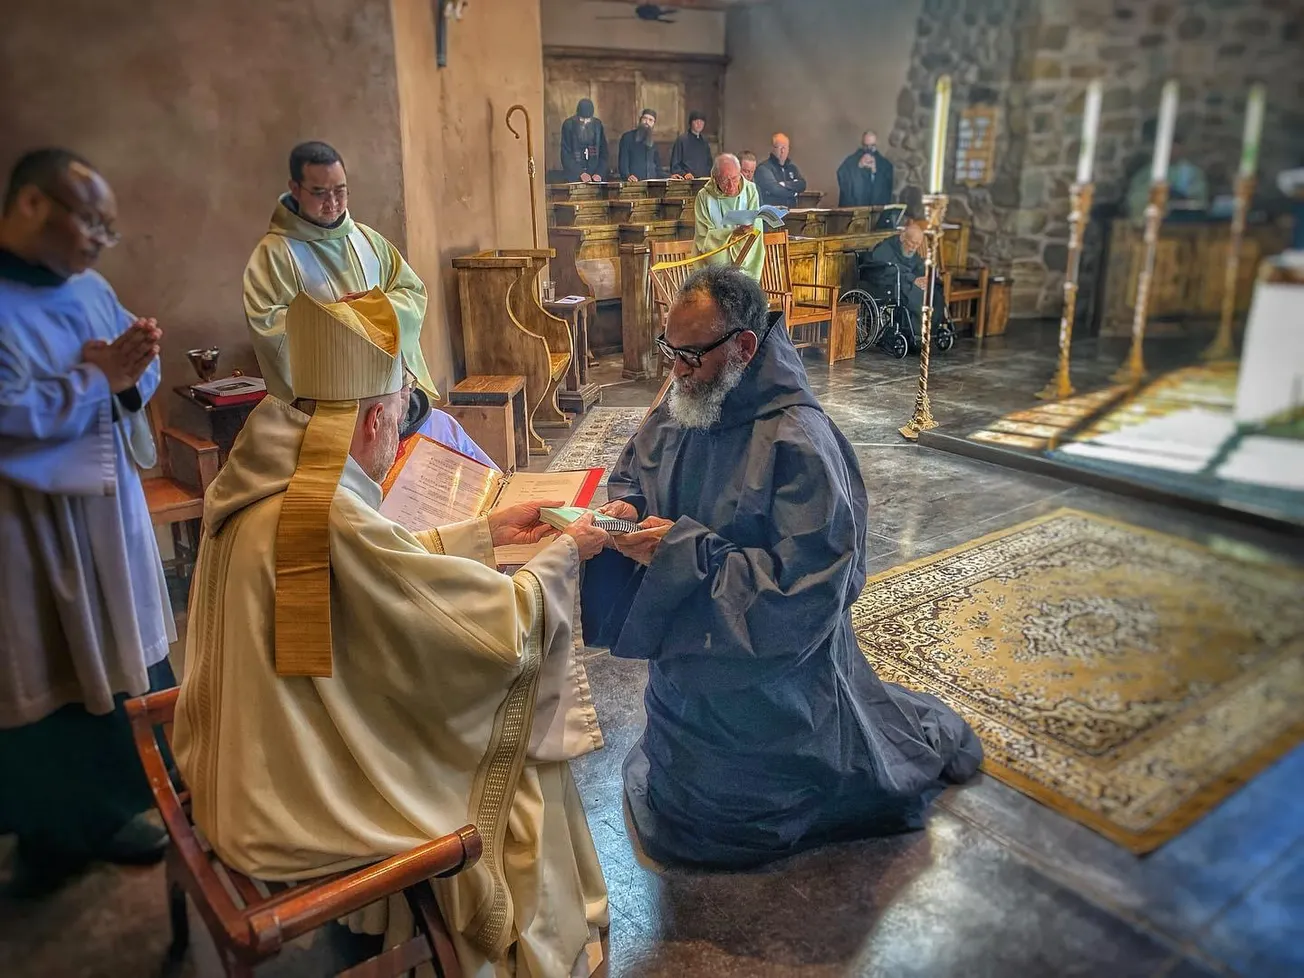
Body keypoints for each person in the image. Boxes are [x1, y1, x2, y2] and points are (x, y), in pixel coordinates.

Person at [172, 288, 611, 976]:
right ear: (375, 418)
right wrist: (559, 561)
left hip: (251, 760)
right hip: (301, 794)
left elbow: (374, 579)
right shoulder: (324, 514)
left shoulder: (266, 479)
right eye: (400, 414)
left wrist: (484, 532)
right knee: (526, 758)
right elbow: (486, 633)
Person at [583, 266, 981, 868]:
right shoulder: (686, 400)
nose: (676, 371)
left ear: (744, 346)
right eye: (670, 350)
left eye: (690, 355)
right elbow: (635, 470)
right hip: (686, 676)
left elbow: (809, 591)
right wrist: (628, 508)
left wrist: (683, 553)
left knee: (728, 819)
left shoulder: (799, 440)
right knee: (680, 796)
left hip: (772, 700)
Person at [0, 148, 176, 896]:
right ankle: (51, 839)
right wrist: (96, 380)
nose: (103, 240)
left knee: (123, 658)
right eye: (92, 222)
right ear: (32, 205)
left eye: (110, 227)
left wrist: (131, 372)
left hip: (108, 512)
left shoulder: (91, 285)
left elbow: (133, 377)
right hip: (32, 526)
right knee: (49, 667)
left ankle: (115, 812)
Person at [243, 140, 492, 466]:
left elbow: (412, 292)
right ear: (295, 189)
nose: (333, 203)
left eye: (340, 191)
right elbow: (269, 329)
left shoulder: (368, 242)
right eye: (320, 193)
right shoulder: (273, 256)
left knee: (451, 439)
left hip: (392, 404)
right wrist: (341, 320)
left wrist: (377, 308)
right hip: (332, 416)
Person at [867, 222, 949, 347]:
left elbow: (918, 265)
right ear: (903, 237)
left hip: (908, 281)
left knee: (935, 293)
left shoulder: (911, 250)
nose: (914, 248)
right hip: (890, 283)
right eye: (912, 243)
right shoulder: (886, 248)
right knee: (917, 295)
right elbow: (886, 270)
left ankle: (931, 331)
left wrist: (925, 278)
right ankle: (916, 334)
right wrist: (912, 279)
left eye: (918, 244)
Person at [693, 153, 766, 282]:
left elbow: (756, 227)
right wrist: (733, 233)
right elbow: (704, 236)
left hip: (746, 260)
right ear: (715, 178)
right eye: (725, 180)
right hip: (716, 267)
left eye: (735, 178)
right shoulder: (704, 197)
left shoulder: (750, 190)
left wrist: (745, 233)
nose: (731, 186)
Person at [1125, 136, 1209, 220]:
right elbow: (1135, 195)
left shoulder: (1192, 172)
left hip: (1185, 218)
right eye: (1169, 147)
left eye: (1175, 148)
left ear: (1182, 149)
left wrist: (1180, 196)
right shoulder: (1147, 172)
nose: (1172, 151)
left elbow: (1199, 197)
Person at [837, 130, 895, 207]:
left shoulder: (885, 165)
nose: (869, 149)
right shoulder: (851, 161)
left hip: (874, 209)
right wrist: (858, 167)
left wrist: (875, 172)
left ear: (877, 144)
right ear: (862, 144)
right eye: (866, 146)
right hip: (855, 208)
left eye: (872, 146)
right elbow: (842, 176)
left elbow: (886, 190)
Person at [560, 98, 608, 183]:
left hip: (595, 178)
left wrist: (599, 173)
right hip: (574, 178)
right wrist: (580, 173)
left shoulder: (597, 125)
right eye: (582, 119)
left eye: (588, 120)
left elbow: (604, 154)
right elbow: (565, 155)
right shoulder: (569, 125)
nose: (585, 122)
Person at [754, 133, 807, 208]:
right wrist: (794, 193)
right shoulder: (764, 168)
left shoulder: (791, 167)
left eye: (785, 148)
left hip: (791, 211)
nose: (782, 151)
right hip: (772, 212)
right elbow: (775, 189)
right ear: (773, 149)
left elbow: (802, 184)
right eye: (780, 148)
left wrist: (785, 184)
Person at [617, 109, 668, 183]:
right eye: (645, 118)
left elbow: (658, 169)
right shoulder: (627, 137)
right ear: (640, 120)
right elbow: (623, 162)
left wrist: (670, 176)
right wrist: (627, 176)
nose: (647, 122)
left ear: (654, 124)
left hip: (651, 184)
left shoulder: (653, 142)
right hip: (633, 183)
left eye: (650, 120)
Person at [669, 111, 713, 180]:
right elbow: (675, 164)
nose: (699, 124)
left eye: (701, 121)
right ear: (691, 123)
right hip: (686, 180)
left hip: (704, 180)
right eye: (696, 121)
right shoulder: (682, 140)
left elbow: (709, 163)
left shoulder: (704, 141)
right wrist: (684, 174)